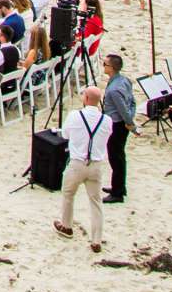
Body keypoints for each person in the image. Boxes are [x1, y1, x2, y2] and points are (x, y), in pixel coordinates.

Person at [55, 86, 114, 252]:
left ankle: (66, 225)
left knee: (68, 194)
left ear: (86, 98)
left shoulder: (75, 116)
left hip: (77, 162)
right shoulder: (107, 120)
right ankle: (96, 240)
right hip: (95, 164)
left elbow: (65, 134)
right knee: (96, 201)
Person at [100, 53, 135, 204]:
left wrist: (129, 122)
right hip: (121, 122)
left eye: (105, 64)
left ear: (112, 68)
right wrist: (130, 118)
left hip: (117, 124)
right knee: (118, 156)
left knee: (116, 157)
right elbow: (132, 101)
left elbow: (123, 109)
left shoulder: (114, 89)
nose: (104, 66)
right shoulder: (124, 81)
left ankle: (118, 192)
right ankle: (119, 186)